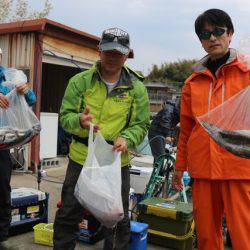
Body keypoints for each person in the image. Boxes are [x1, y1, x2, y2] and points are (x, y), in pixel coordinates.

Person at [53, 27, 150, 250]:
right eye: (108, 51)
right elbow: (65, 116)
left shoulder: (136, 88)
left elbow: (141, 124)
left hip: (116, 163)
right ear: (99, 51)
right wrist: (79, 121)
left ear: (127, 54)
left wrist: (127, 137)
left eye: (118, 52)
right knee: (68, 214)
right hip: (81, 160)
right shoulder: (80, 81)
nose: (113, 57)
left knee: (116, 218)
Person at [173, 9, 250, 250]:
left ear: (230, 34)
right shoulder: (192, 82)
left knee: (243, 235)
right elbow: (186, 129)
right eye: (205, 34)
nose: (212, 38)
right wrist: (179, 166)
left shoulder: (247, 73)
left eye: (218, 31)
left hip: (239, 168)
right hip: (203, 169)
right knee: (206, 236)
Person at [0, 48, 36, 250]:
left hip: (2, 142)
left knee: (2, 188)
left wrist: (26, 90)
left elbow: (31, 101)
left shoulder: (8, 76)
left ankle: (1, 235)